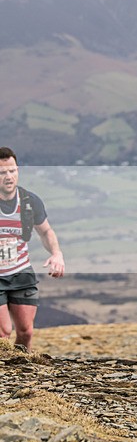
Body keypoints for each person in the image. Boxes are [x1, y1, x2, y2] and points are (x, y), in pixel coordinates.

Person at [0, 147, 65, 352]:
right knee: (3, 332)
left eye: (13, 171)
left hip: (20, 272)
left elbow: (46, 232)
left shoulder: (29, 201)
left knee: (26, 331)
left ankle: (21, 370)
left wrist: (56, 254)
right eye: (2, 172)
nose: (9, 177)